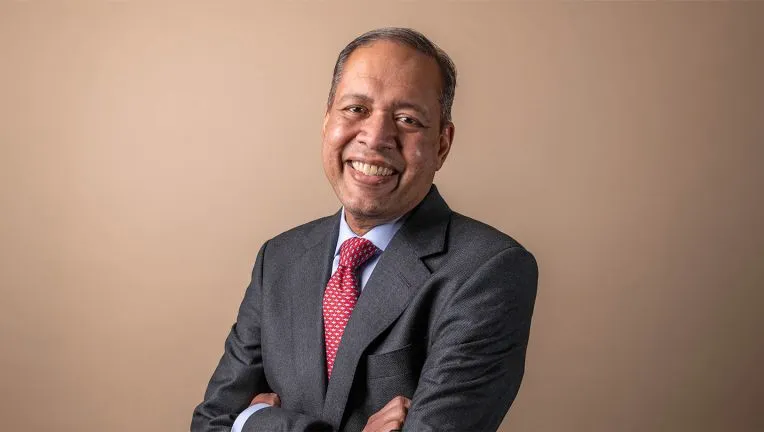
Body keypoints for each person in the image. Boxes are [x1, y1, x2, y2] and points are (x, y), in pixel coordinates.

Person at [191, 27, 538, 432]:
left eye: (407, 119)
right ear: (327, 122)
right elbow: (210, 423)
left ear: (442, 145)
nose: (375, 138)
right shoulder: (279, 258)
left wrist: (252, 422)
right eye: (356, 109)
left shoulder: (489, 271)